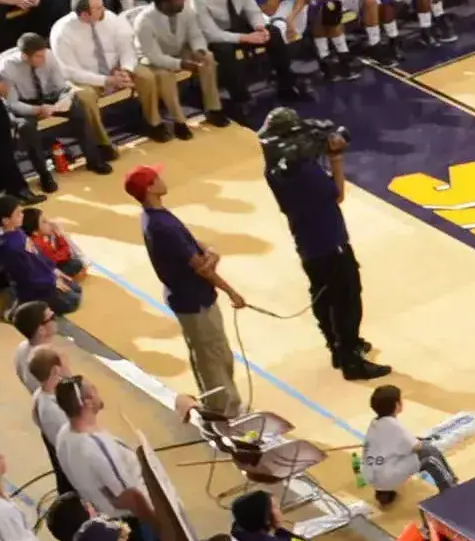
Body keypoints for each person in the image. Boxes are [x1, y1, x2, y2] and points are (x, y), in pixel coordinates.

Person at [259, 113, 388, 383]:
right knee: (347, 299)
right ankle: (351, 359)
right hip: (330, 241)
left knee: (323, 294)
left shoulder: (273, 169)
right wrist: (336, 158)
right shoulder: (304, 171)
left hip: (307, 244)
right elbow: (337, 194)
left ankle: (337, 348)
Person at [124, 164, 250, 419]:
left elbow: (189, 244)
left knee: (212, 353)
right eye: (156, 177)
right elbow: (201, 268)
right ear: (149, 188)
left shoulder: (155, 216)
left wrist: (207, 252)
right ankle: (224, 412)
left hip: (189, 297)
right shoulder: (162, 226)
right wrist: (231, 291)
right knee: (211, 356)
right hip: (194, 300)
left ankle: (223, 405)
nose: (162, 179)